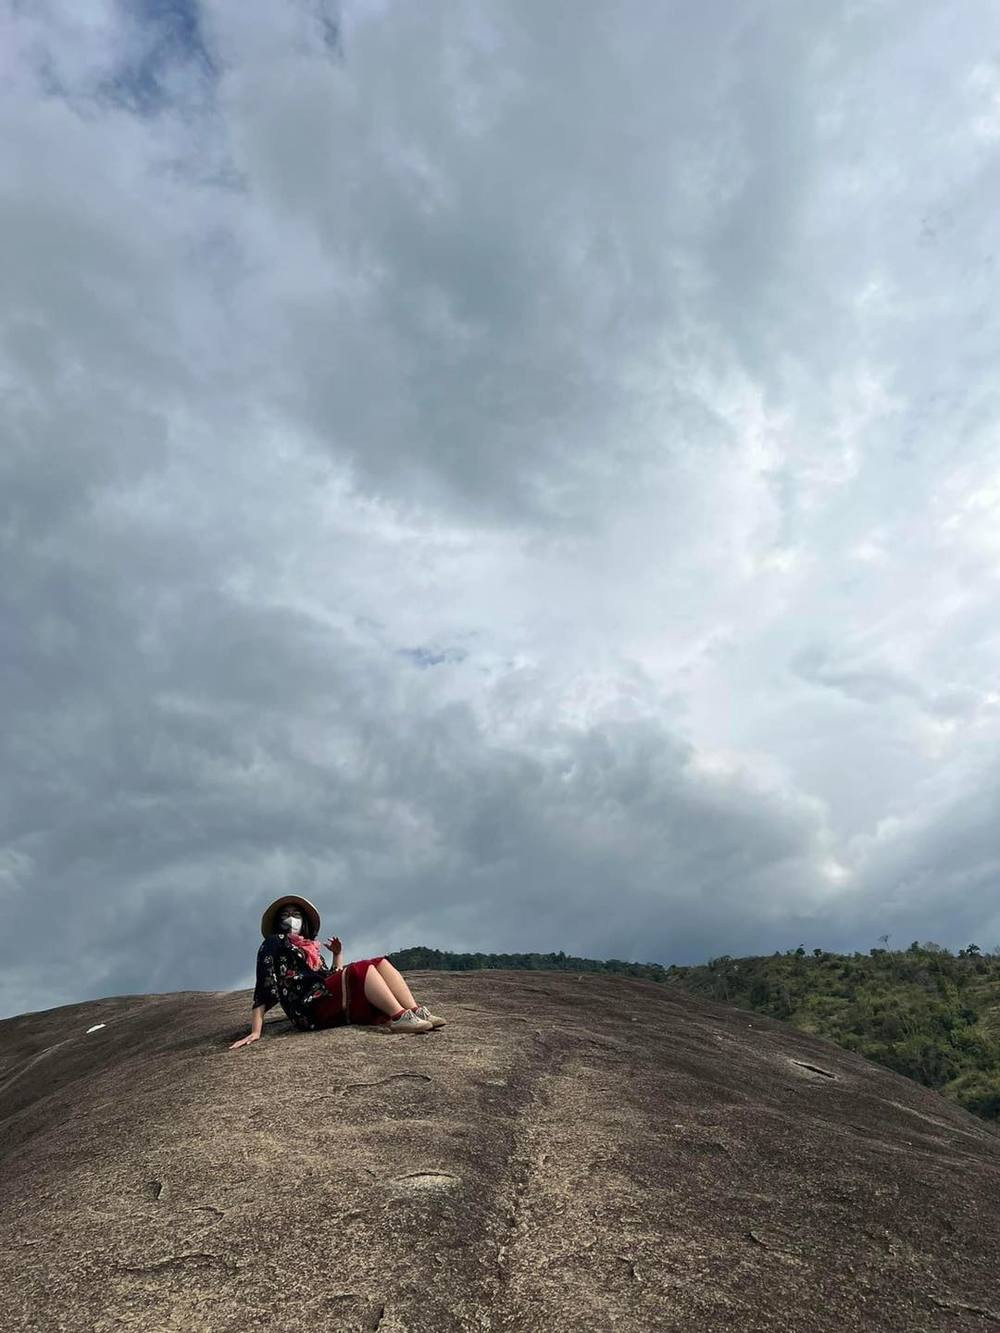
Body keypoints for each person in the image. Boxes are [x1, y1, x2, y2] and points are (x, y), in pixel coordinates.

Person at [230, 895, 445, 1049]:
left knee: (379, 962)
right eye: (286, 915)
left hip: (322, 998)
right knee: (361, 968)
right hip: (307, 1009)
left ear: (304, 920)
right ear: (278, 921)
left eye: (296, 914)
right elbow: (264, 985)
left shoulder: (310, 948)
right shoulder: (273, 942)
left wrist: (337, 955)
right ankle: (398, 1017)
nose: (291, 918)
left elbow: (330, 978)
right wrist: (256, 1031)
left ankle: (414, 1011)